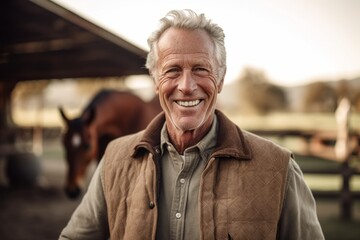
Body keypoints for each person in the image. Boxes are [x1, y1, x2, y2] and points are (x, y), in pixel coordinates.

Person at [59, 9, 324, 240]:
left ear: (220, 80)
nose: (186, 86)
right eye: (173, 70)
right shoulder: (115, 160)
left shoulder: (279, 169)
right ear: (156, 81)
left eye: (201, 69)